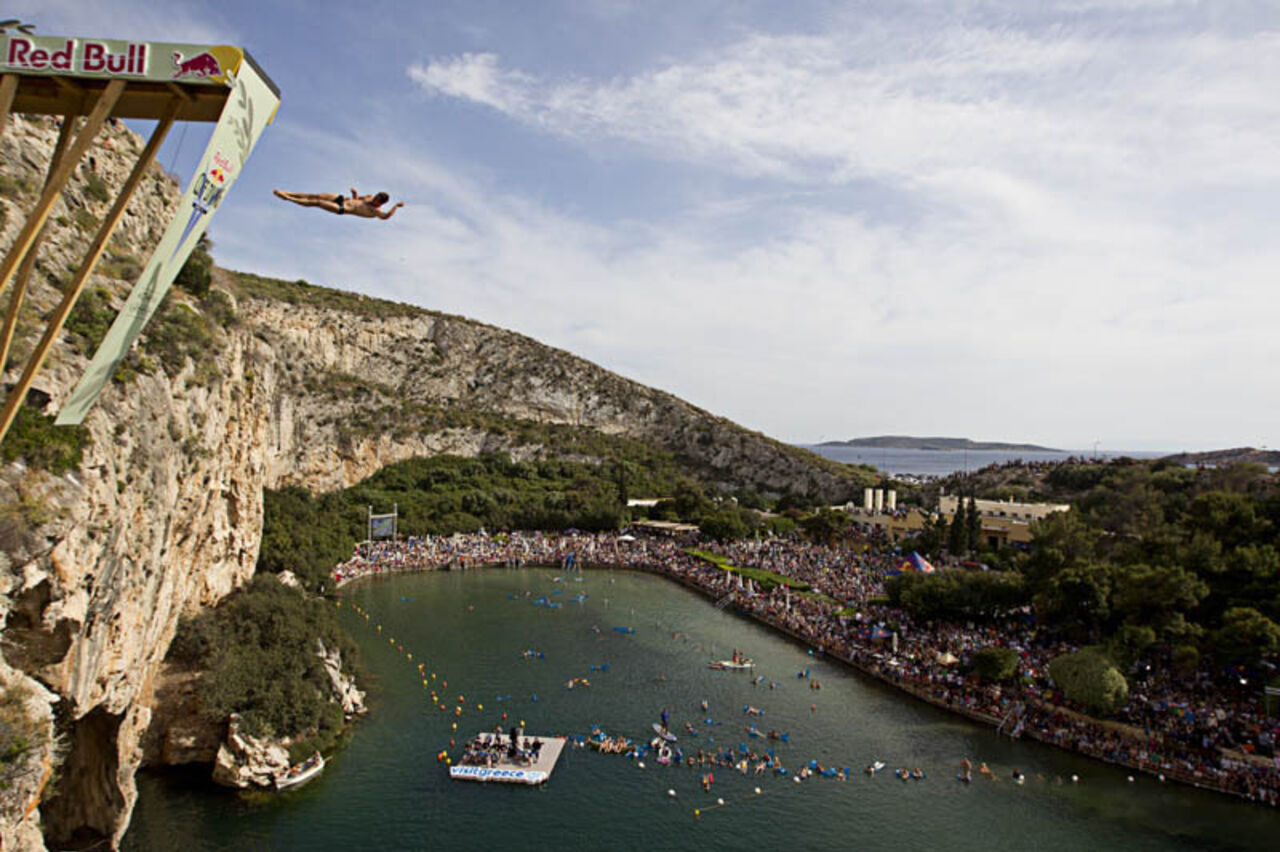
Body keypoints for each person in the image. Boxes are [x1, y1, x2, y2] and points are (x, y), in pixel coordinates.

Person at [273, 188, 404, 220]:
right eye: (375, 196)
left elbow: (386, 217)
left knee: (317, 202)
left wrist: (396, 207)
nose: (374, 199)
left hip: (342, 208)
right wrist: (355, 194)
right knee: (315, 195)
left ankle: (288, 199)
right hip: (343, 199)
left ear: (380, 203)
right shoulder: (369, 197)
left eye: (377, 200)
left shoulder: (375, 212)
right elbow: (358, 200)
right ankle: (289, 193)